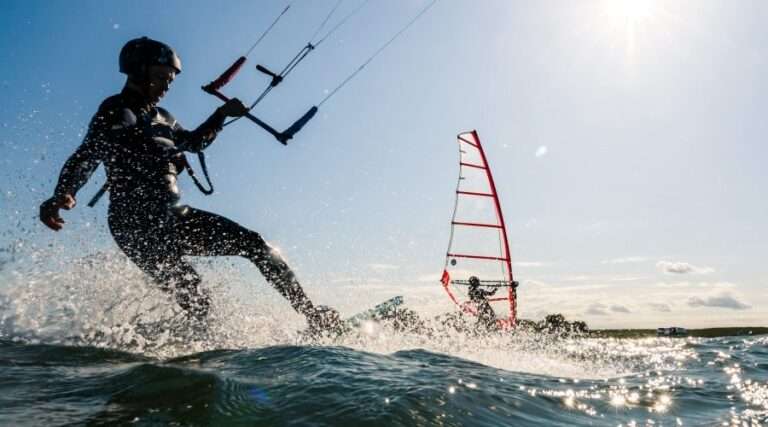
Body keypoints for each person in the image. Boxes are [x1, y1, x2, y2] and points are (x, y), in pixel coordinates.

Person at [39, 37, 338, 331]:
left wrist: (220, 115)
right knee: (198, 300)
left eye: (170, 80)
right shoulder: (117, 110)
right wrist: (63, 192)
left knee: (254, 243)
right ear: (138, 71)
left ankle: (313, 316)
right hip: (135, 224)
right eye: (161, 77)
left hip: (174, 216)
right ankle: (179, 352)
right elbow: (89, 154)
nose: (167, 86)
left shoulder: (164, 117)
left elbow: (194, 142)